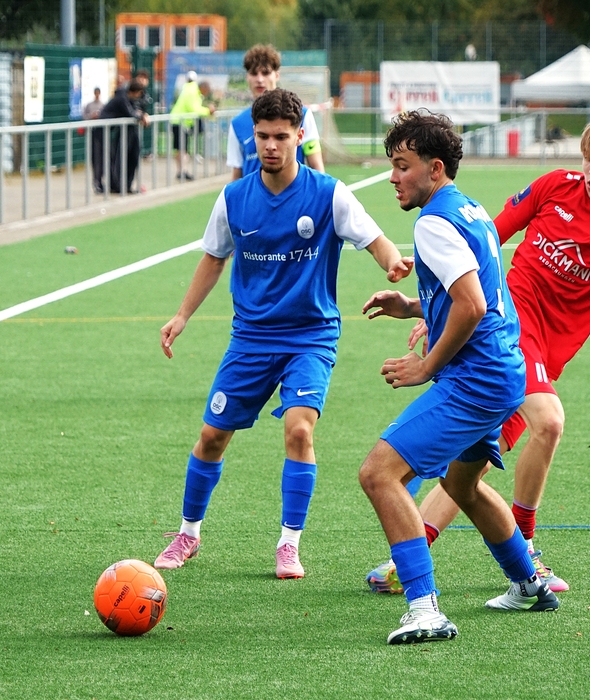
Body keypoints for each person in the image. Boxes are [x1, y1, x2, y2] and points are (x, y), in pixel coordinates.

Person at [365, 112, 590, 597]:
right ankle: (526, 549)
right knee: (548, 422)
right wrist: (438, 302)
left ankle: (410, 554)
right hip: (514, 327)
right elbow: (490, 239)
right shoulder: (556, 186)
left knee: (470, 469)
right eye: (587, 158)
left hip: (550, 350)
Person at [153, 89, 411, 579]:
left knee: (299, 429)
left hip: (311, 336)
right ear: (253, 137)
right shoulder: (234, 198)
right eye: (262, 136)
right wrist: (182, 315)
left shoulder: (328, 193)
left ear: (299, 136)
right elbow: (214, 257)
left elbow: (374, 238)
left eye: (281, 136)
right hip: (251, 337)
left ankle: (289, 544)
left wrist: (391, 262)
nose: (271, 145)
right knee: (211, 436)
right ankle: (188, 533)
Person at [357, 110, 559, 645]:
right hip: (503, 371)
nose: (393, 177)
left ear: (435, 168)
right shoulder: (468, 207)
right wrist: (410, 306)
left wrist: (426, 366)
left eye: (402, 165)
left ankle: (424, 609)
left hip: (476, 378)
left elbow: (470, 305)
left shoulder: (432, 223)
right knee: (461, 484)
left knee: (379, 474)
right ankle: (529, 584)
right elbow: (476, 292)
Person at [227, 44, 324, 181]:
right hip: (255, 195)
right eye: (254, 73)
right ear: (247, 77)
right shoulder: (237, 124)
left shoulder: (302, 115)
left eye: (265, 73)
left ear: (276, 75)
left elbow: (317, 166)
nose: (260, 79)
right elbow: (237, 175)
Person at [92, 79, 149, 195]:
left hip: (108, 130)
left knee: (111, 158)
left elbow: (135, 110)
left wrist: (141, 114)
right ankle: (99, 185)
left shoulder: (126, 98)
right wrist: (141, 116)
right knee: (100, 158)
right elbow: (130, 113)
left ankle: (115, 185)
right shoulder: (122, 98)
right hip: (100, 130)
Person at [169, 71, 214, 180]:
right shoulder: (192, 91)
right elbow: (194, 109)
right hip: (180, 122)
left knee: (181, 149)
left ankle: (181, 171)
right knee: (182, 149)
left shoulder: (190, 90)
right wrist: (208, 111)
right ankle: (181, 172)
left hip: (180, 122)